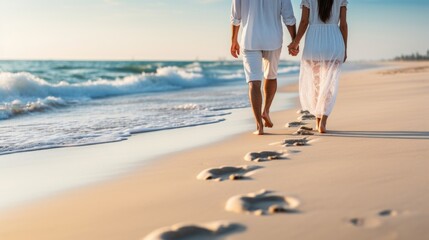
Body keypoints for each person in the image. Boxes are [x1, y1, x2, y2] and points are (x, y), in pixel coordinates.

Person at [230, 0, 297, 135]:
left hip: (250, 40)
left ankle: (259, 126)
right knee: (270, 76)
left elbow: (236, 17)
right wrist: (294, 40)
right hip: (273, 39)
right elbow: (288, 17)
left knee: (254, 83)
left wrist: (233, 40)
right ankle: (265, 110)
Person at [288, 0, 348, 133]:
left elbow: (304, 22)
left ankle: (317, 120)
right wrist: (345, 48)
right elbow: (343, 25)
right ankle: (323, 122)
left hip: (314, 42)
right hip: (334, 42)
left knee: (316, 83)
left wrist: (295, 42)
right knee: (329, 84)